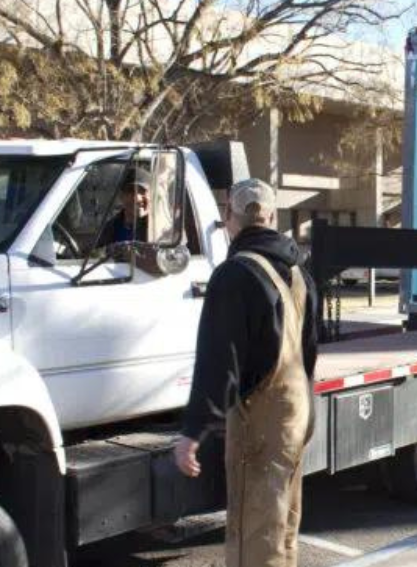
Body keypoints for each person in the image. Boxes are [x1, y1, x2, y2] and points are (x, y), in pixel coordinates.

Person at [174, 178, 318, 567]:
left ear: (229, 218)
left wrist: (193, 432)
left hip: (259, 421)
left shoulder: (235, 274)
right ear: (271, 217)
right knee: (284, 522)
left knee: (253, 528)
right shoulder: (300, 274)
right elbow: (309, 351)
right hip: (297, 413)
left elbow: (219, 362)